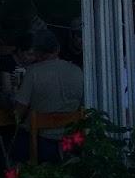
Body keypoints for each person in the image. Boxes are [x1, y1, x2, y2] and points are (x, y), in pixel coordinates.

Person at [13, 29, 84, 163]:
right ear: (57, 48)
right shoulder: (77, 71)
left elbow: (17, 113)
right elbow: (84, 106)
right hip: (71, 142)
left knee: (8, 142)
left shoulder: (33, 72)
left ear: (37, 52)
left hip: (40, 144)